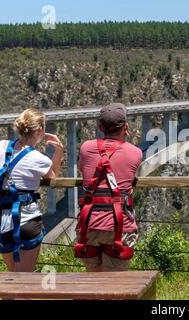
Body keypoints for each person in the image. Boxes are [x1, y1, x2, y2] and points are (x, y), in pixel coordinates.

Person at [0, 108, 63, 272]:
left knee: (12, 277)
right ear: (39, 131)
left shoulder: (0, 146)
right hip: (27, 220)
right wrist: (59, 150)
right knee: (23, 281)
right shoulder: (39, 159)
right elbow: (52, 177)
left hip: (1, 220)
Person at [75, 103, 142, 272]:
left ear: (100, 127)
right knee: (115, 285)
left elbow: (81, 169)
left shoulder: (85, 148)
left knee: (94, 280)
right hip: (119, 226)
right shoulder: (135, 152)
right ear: (125, 127)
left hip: (88, 226)